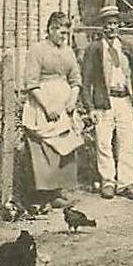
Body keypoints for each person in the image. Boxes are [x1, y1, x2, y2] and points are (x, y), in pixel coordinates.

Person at [81, 4, 133, 200]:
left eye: (115, 24)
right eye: (108, 24)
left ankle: (126, 183)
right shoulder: (94, 49)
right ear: (102, 26)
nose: (111, 28)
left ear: (119, 26)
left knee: (128, 142)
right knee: (103, 142)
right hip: (103, 102)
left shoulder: (126, 46)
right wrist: (89, 106)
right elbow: (85, 80)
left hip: (124, 99)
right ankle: (108, 180)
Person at [22, 11, 84, 207]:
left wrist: (73, 100)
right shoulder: (37, 49)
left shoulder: (68, 51)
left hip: (65, 106)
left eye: (67, 33)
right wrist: (47, 106)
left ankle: (59, 190)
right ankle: (45, 194)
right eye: (61, 33)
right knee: (45, 147)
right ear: (50, 29)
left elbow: (75, 79)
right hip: (44, 103)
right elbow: (31, 82)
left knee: (65, 146)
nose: (64, 37)